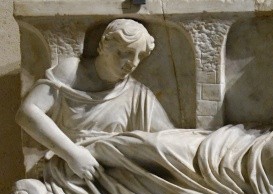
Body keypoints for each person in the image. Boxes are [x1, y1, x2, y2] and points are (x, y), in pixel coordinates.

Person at [16, 18, 174, 181]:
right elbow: (27, 112)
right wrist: (73, 154)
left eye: (140, 56)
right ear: (105, 45)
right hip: (72, 170)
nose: (133, 63)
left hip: (118, 172)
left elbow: (168, 139)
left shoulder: (138, 95)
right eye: (125, 52)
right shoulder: (72, 71)